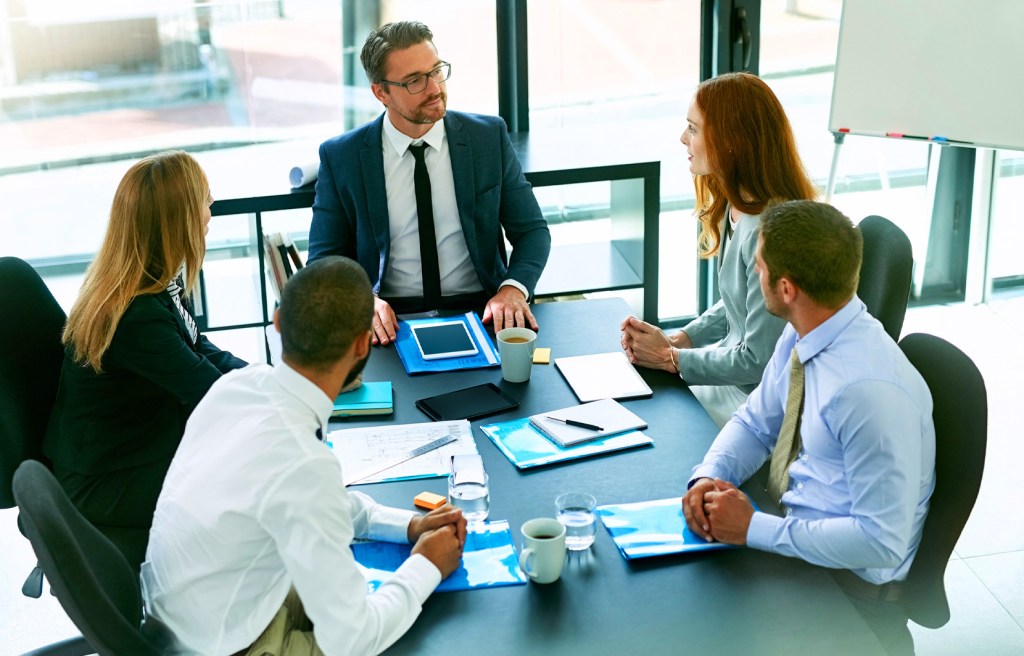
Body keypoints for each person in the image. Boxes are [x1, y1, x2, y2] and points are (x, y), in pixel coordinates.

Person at [142, 256, 467, 656]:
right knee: (413, 634)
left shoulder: (236, 387)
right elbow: (354, 640)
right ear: (364, 344)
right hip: (224, 646)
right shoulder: (305, 463)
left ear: (278, 323)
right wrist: (427, 564)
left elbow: (308, 499)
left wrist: (410, 525)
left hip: (184, 612)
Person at [682, 201, 935, 655]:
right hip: (797, 543)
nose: (753, 278)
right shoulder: (807, 329)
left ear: (785, 287)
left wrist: (753, 528)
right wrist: (710, 475)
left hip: (847, 591)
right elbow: (757, 422)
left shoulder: (868, 393)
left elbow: (881, 543)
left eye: (757, 268)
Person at [42, 151, 246, 569]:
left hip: (134, 445)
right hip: (106, 482)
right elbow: (212, 396)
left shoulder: (151, 277)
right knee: (247, 482)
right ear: (182, 219)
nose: (212, 211)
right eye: (206, 201)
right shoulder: (136, 314)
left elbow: (200, 349)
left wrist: (271, 379)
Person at [308, 20, 551, 346]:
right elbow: (323, 260)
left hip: (481, 310)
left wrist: (512, 289)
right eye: (414, 82)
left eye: (436, 71)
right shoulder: (342, 157)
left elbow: (532, 231)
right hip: (390, 321)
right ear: (381, 92)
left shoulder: (487, 138)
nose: (435, 88)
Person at [621, 72, 817, 427]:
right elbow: (738, 300)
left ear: (731, 142)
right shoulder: (737, 203)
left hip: (757, 402)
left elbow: (758, 362)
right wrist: (685, 337)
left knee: (652, 421)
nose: (683, 138)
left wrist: (673, 358)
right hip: (732, 380)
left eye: (693, 129)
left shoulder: (768, 233)